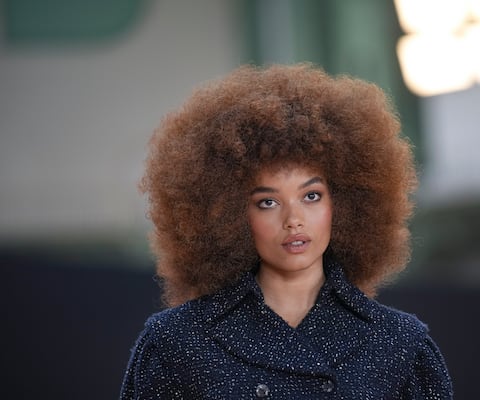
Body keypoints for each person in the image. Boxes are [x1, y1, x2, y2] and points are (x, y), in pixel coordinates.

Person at [120, 63, 453, 399]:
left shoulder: (399, 344)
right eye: (267, 202)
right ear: (229, 215)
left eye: (311, 196)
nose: (293, 219)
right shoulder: (176, 342)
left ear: (344, 202)